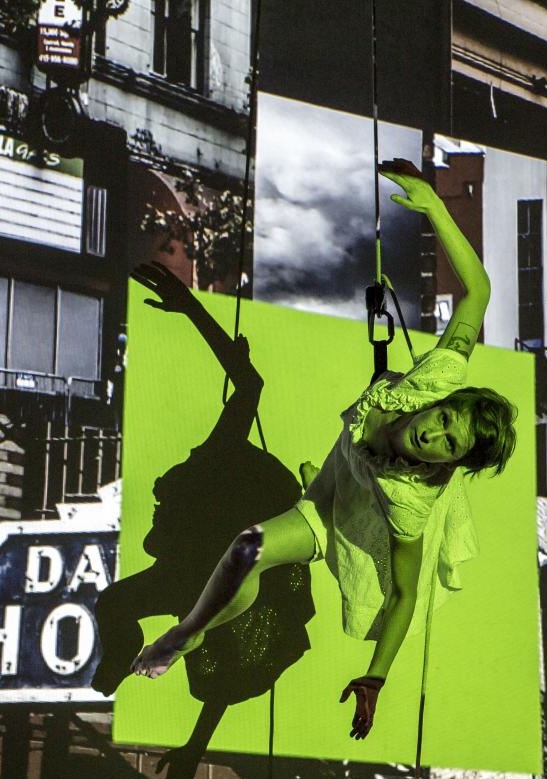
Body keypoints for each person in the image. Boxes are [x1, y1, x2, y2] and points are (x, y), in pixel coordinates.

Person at [130, 159, 518, 742]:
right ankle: (196, 625)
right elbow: (479, 291)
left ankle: (188, 634)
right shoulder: (439, 374)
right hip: (334, 478)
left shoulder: (409, 504)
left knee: (249, 544)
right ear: (442, 402)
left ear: (449, 465)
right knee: (246, 552)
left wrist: (376, 678)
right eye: (441, 422)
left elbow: (406, 596)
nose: (432, 436)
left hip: (342, 520)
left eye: (447, 447)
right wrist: (434, 205)